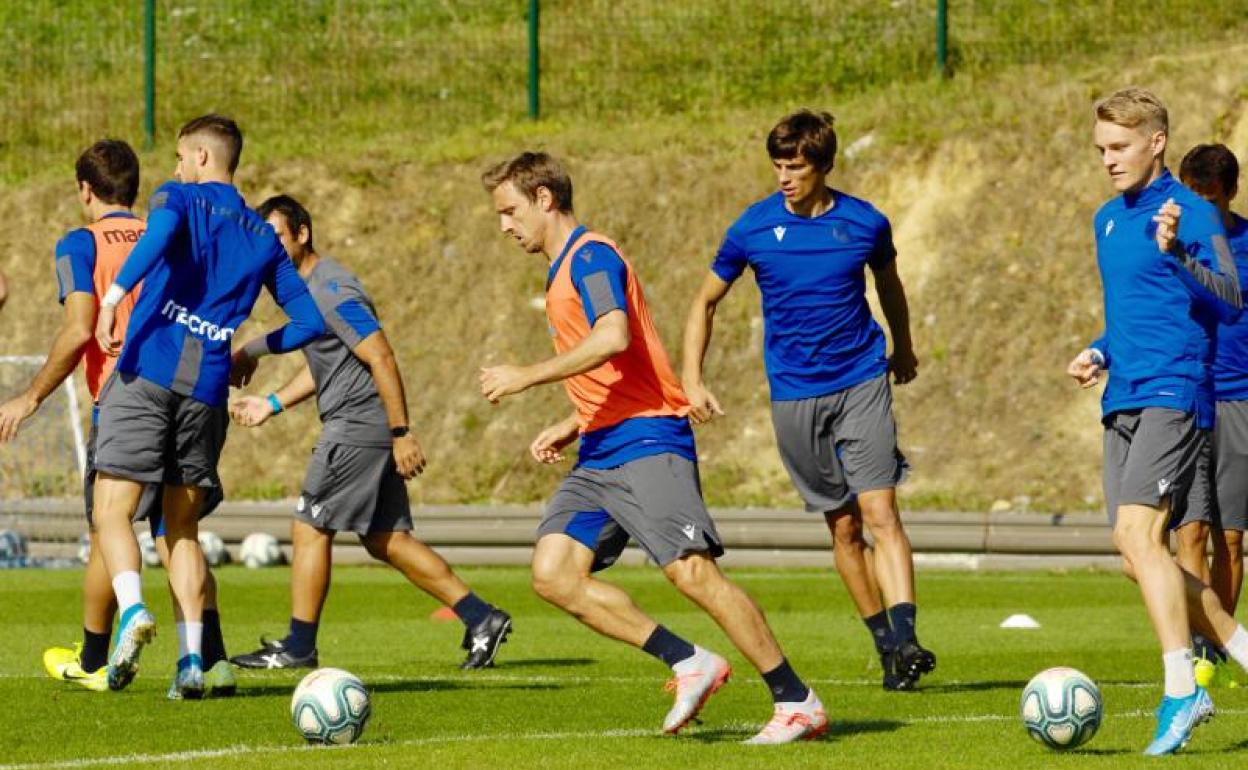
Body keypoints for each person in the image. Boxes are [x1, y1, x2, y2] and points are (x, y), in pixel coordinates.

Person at [478, 152, 826, 744]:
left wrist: (526, 375)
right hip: (601, 446)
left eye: (510, 211)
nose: (505, 226)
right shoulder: (561, 268)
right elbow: (623, 362)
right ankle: (688, 661)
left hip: (646, 438)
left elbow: (612, 335)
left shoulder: (590, 257)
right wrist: (573, 418)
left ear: (544, 199)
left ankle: (797, 701)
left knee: (692, 573)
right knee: (554, 573)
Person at [681, 109, 933, 690]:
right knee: (844, 527)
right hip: (794, 394)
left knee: (881, 513)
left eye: (795, 167)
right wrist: (691, 379)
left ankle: (909, 633)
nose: (784, 178)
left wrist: (904, 349)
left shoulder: (865, 223)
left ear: (823, 166)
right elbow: (705, 302)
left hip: (861, 379)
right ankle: (886, 646)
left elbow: (889, 287)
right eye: (777, 166)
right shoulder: (752, 228)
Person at [90, 115, 325, 698]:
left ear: (199, 157)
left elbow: (158, 234)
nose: (172, 168)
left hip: (148, 371)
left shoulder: (179, 197)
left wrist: (113, 298)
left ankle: (131, 610)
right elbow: (311, 321)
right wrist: (253, 346)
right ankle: (192, 661)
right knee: (181, 528)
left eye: (177, 156)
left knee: (111, 511)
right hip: (207, 389)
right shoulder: (263, 236)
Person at [228, 194, 512, 670]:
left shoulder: (332, 289)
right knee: (385, 539)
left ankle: (299, 645)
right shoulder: (308, 292)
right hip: (362, 424)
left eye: (276, 238)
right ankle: (481, 617)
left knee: (310, 526)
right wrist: (272, 402)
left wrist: (403, 431)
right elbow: (329, 362)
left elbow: (379, 354)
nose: (269, 250)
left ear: (302, 233)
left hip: (357, 426)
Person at [0, 139, 233, 695]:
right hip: (189, 388)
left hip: (125, 398)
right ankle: (213, 659)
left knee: (107, 524)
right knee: (180, 532)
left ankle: (94, 656)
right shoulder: (165, 230)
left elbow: (82, 327)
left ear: (85, 190)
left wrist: (29, 398)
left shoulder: (81, 243)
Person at [1066, 87, 1248, 754]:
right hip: (1124, 396)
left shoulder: (1193, 213)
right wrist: (1099, 350)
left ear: (1156, 142)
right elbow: (1136, 312)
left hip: (1176, 392)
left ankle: (1182, 687)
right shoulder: (1106, 221)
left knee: (1138, 533)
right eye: (1101, 149)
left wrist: (1179, 253)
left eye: (1118, 148)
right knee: (1135, 556)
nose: (1108, 160)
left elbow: (1231, 302)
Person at [1175, 143, 1248, 687]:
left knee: (1231, 538)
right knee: (1190, 531)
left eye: (1205, 198)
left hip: (1239, 399)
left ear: (1227, 193)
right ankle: (1193, 637)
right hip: (1187, 393)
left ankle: (1221, 641)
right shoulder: (1171, 242)